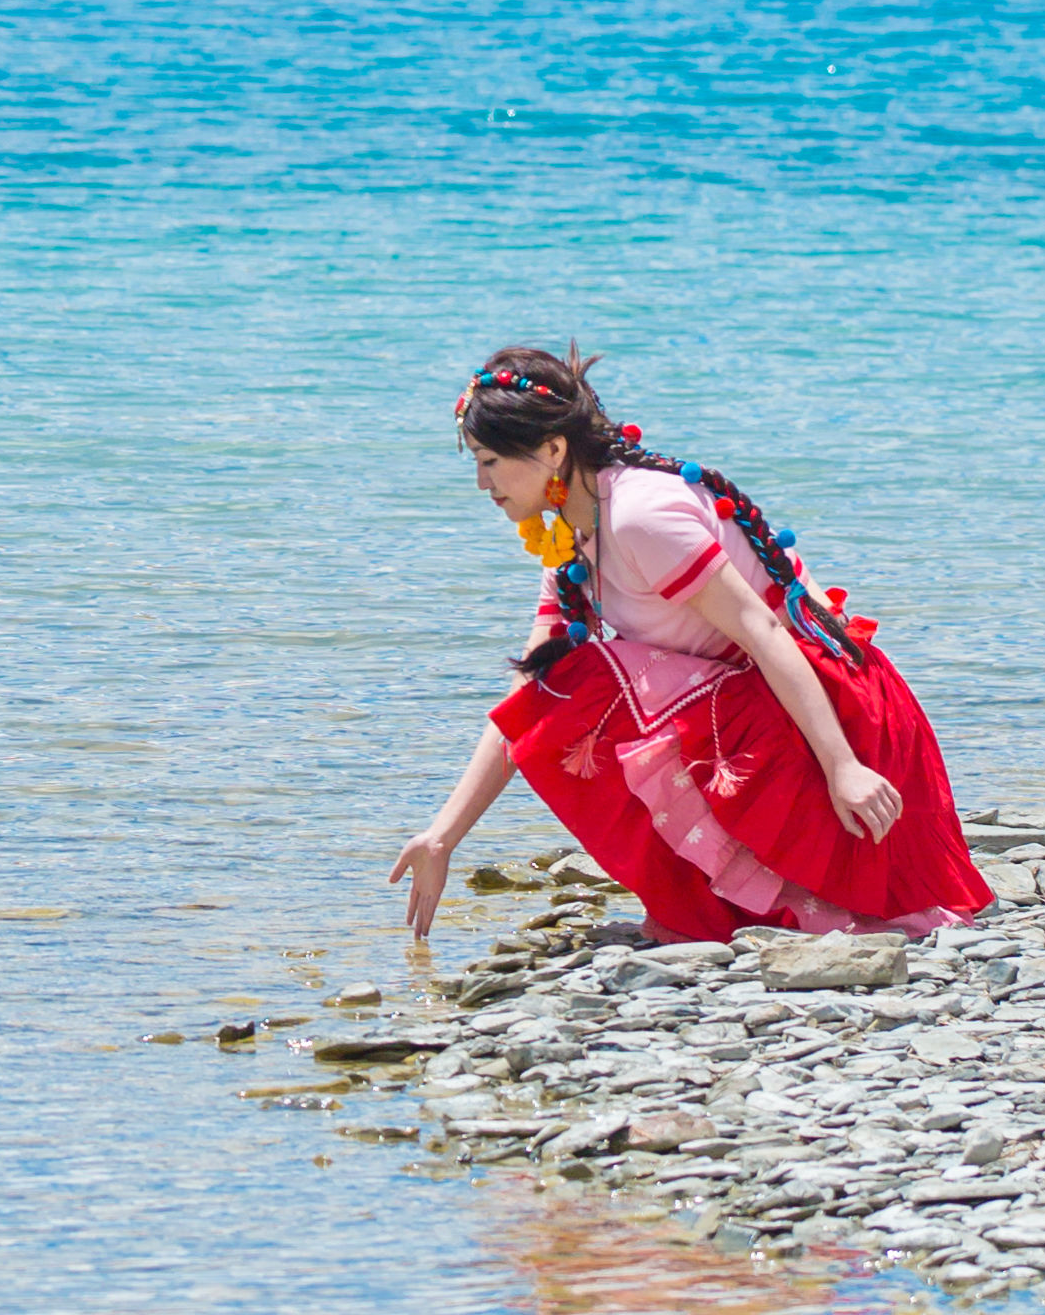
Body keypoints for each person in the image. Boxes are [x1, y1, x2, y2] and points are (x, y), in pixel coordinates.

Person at [393, 340, 991, 951]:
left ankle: (736, 897)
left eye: (490, 461)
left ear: (552, 449)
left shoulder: (638, 516)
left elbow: (761, 632)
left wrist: (844, 769)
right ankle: (705, 898)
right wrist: (443, 836)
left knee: (597, 677)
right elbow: (529, 701)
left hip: (836, 716)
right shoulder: (571, 536)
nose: (480, 482)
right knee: (566, 682)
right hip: (758, 715)